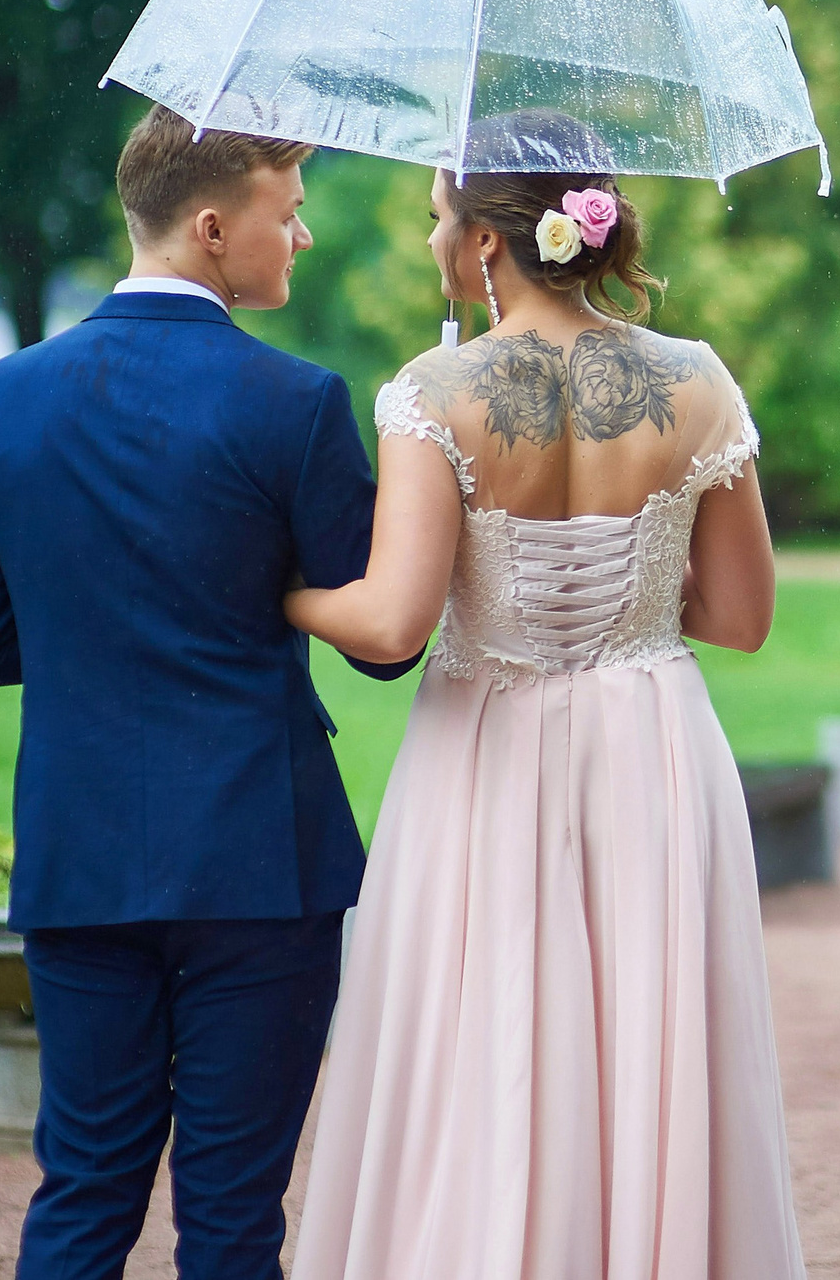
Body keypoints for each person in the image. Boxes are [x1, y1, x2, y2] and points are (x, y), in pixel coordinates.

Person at [287, 134, 807, 1280]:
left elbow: (392, 622)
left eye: (438, 215)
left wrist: (283, 594)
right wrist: (636, 590)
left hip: (486, 748)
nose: (433, 235)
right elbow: (740, 616)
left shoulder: (434, 394)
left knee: (484, 1033)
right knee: (647, 1027)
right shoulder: (697, 380)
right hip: (652, 745)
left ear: (485, 242)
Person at [0, 107, 421, 1280]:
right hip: (262, 858)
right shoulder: (297, 402)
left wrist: (94, 631)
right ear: (210, 227)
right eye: (287, 213)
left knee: (84, 1182)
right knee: (235, 1209)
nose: (300, 236)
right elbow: (384, 644)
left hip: (82, 850)